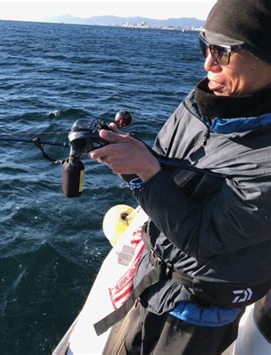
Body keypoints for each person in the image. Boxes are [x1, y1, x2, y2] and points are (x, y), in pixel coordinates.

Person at [89, 0, 271, 353]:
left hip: (196, 316)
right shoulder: (201, 100)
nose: (207, 63)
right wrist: (128, 156)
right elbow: (164, 162)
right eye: (205, 46)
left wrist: (144, 169)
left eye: (222, 51)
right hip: (150, 278)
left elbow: (203, 237)